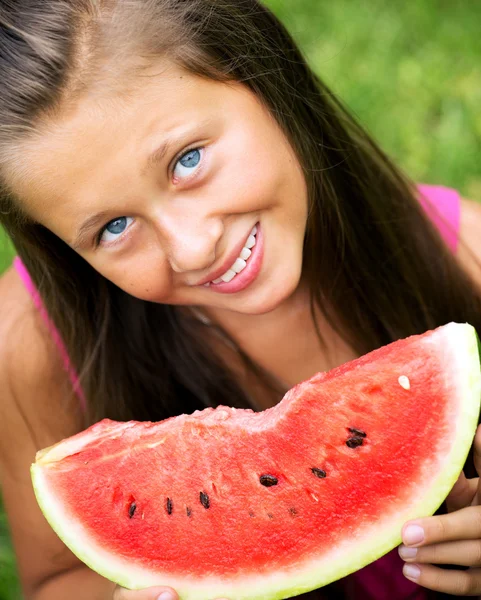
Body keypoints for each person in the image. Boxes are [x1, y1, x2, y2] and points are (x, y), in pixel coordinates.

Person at [1, 0, 481, 599]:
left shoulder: (463, 252)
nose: (192, 248)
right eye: (114, 228)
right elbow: (54, 578)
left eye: (188, 160)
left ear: (266, 81)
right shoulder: (29, 347)